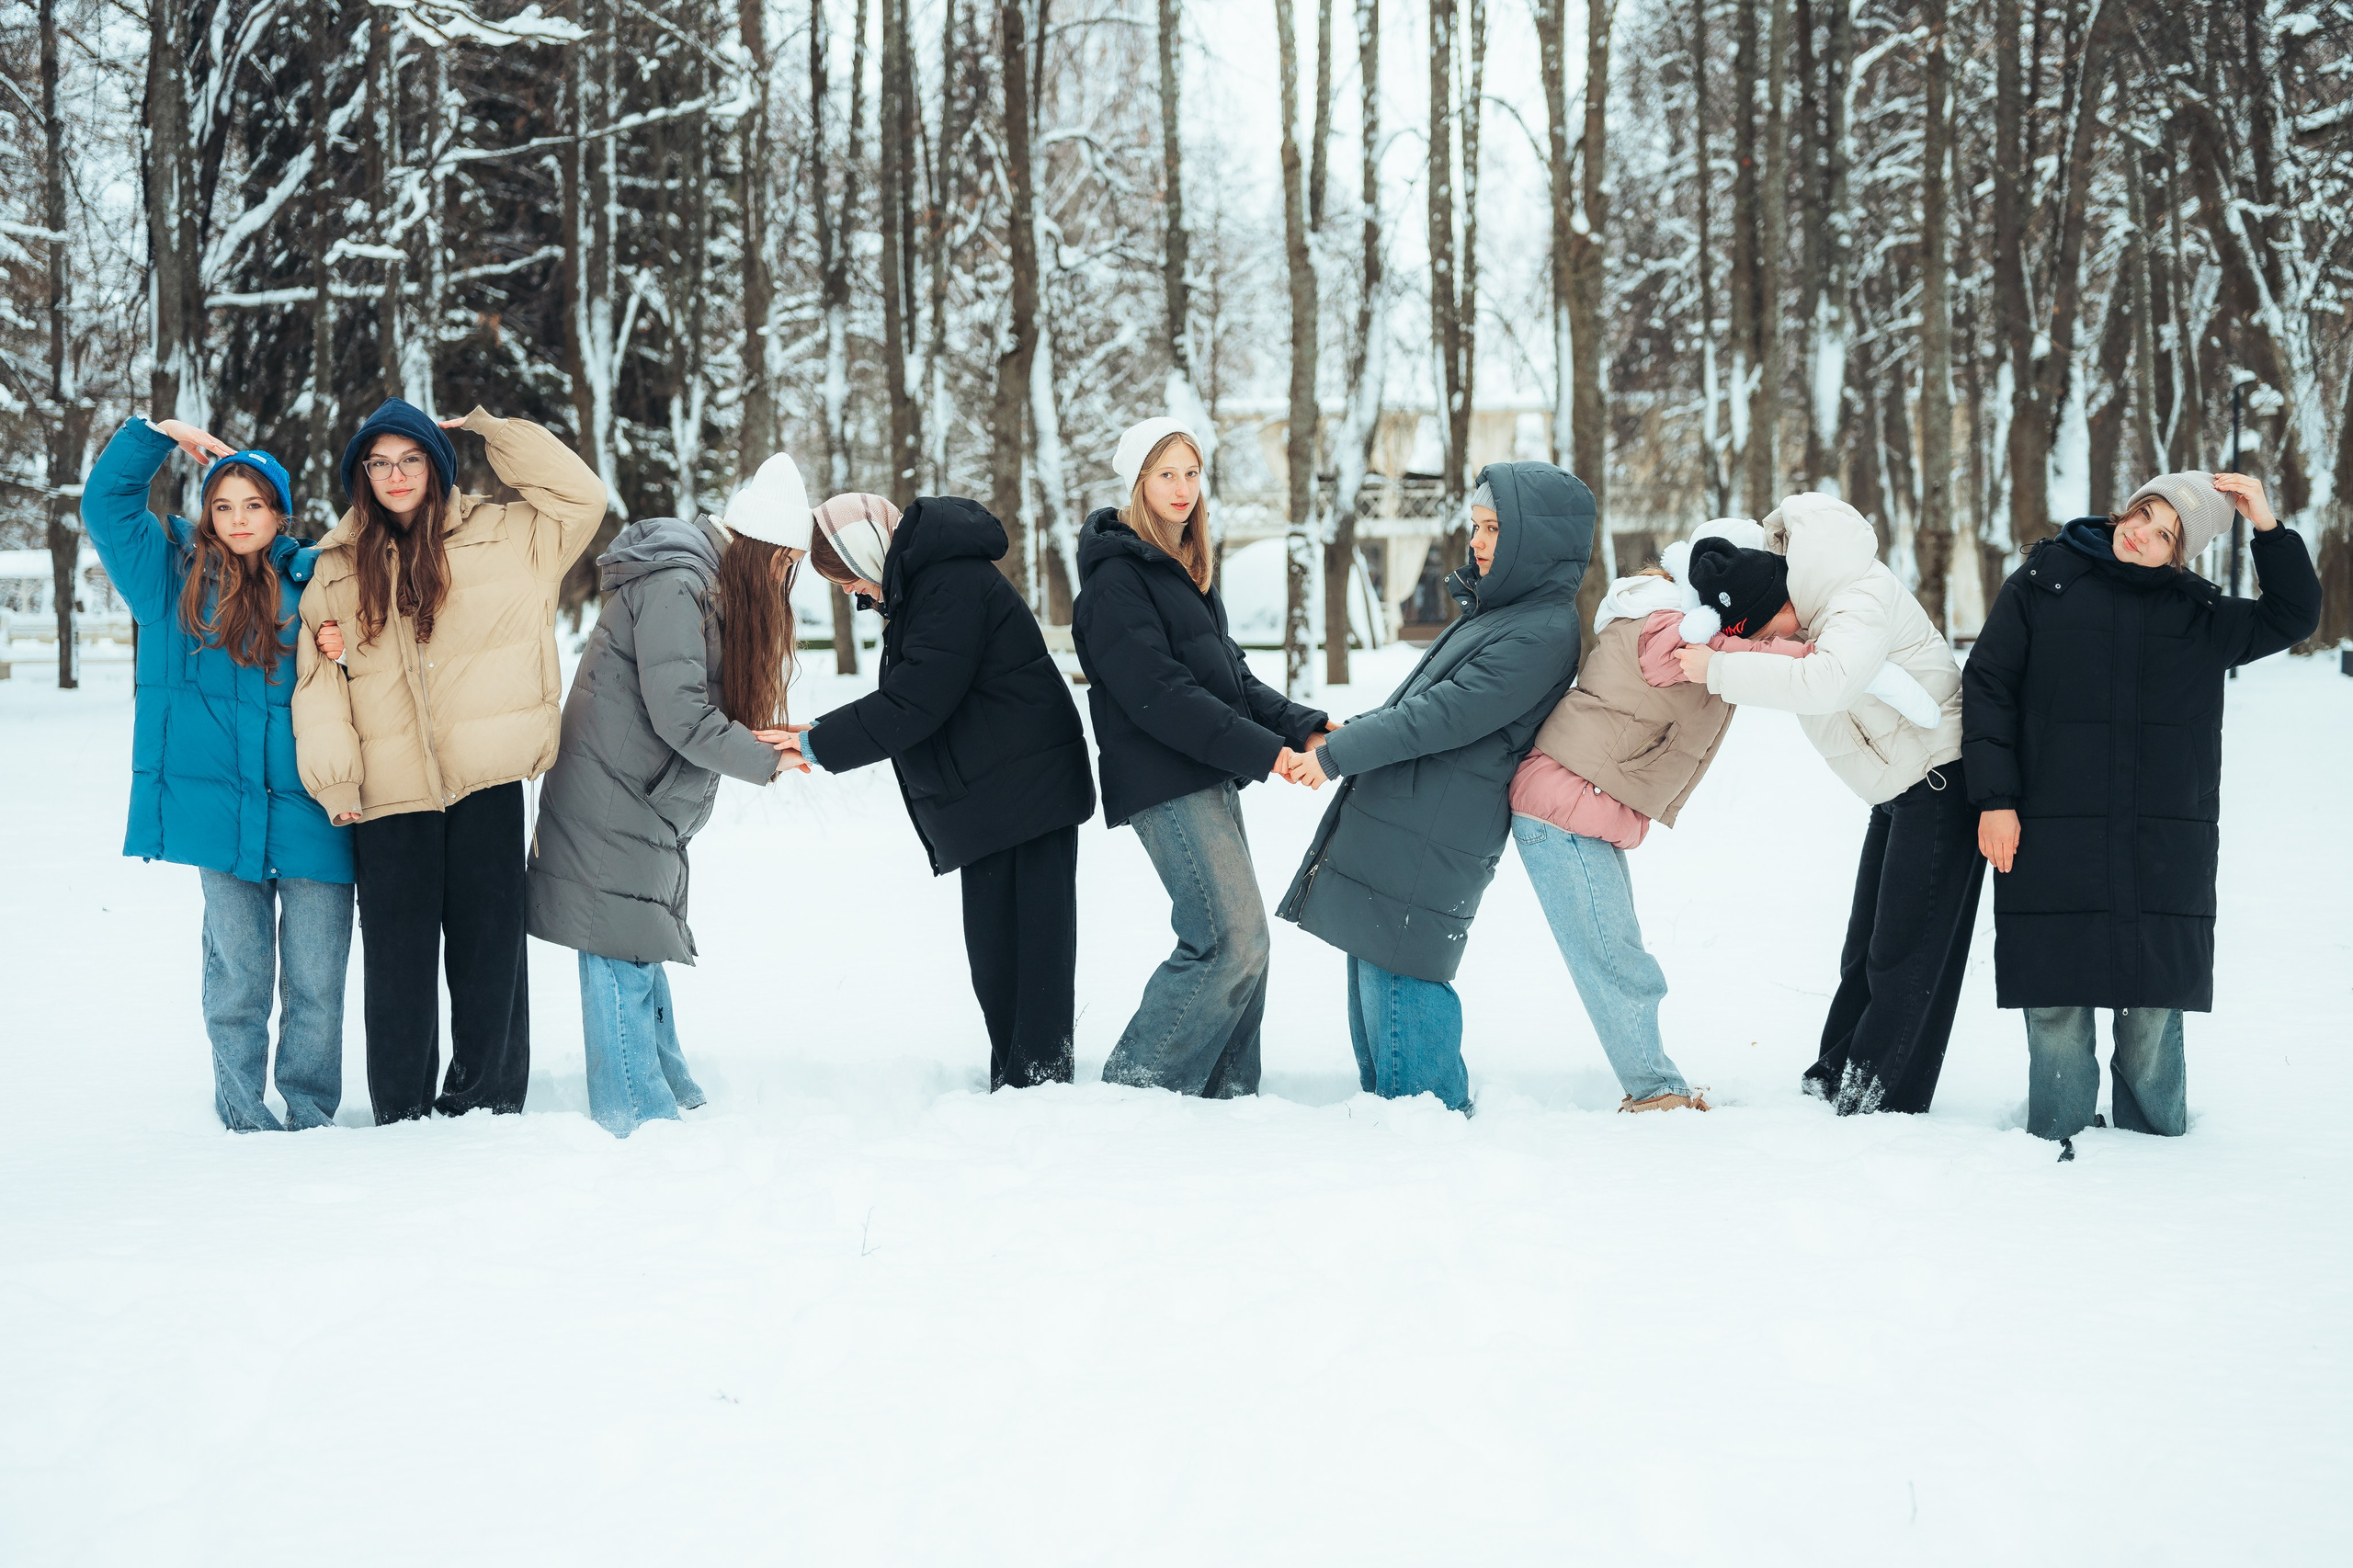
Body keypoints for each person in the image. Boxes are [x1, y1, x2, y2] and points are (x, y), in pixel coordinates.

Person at [1962, 472, 2318, 1159]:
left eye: (2165, 536)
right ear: (2128, 507)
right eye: (2145, 515)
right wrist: (1996, 799)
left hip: (2161, 835)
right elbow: (1989, 684)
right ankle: (2055, 1136)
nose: (2143, 535)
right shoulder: (2046, 580)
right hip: (2051, 825)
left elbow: (2293, 615)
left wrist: (2266, 524)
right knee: (2057, 989)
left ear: (2180, 554)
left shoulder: (2201, 615)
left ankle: (2158, 1148)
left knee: (2156, 998)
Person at [295, 398, 603, 1122]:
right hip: (387, 792)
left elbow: (583, 497)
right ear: (360, 475)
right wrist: (337, 778)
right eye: (379, 463)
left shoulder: (509, 536)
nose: (395, 475)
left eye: (410, 459)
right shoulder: (335, 568)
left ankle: (487, 1102)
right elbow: (318, 686)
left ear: (436, 465)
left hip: (485, 780)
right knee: (397, 965)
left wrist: (498, 431)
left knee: (489, 953)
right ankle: (401, 1113)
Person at [1279, 462, 1591, 1113]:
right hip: (1409, 818)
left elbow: (1445, 715)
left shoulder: (1543, 629)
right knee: (1374, 959)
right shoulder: (1499, 614)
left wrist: (1341, 753)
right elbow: (1424, 705)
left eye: (1494, 529)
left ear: (1537, 541)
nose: (1476, 542)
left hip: (1435, 831)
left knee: (1403, 970)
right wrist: (1350, 732)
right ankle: (1400, 1133)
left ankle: (1432, 1137)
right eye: (1476, 527)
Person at [521, 456, 813, 1134]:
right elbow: (679, 712)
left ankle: (667, 1089)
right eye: (783, 561)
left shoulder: (704, 585)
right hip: (613, 790)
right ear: (757, 547)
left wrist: (765, 741)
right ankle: (635, 1113)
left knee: (638, 937)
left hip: (636, 791)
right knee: (619, 943)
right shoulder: (681, 584)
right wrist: (763, 761)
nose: (784, 578)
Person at [80, 416, 354, 1131]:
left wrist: (346, 644)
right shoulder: (168, 579)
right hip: (218, 817)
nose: (238, 519)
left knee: (317, 980)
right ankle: (241, 1111)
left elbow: (375, 661)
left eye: (254, 505)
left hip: (312, 811)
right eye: (223, 505)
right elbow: (105, 504)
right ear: (207, 512)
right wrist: (157, 435)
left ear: (279, 512)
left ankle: (311, 1113)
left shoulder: (320, 580)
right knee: (238, 977)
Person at [1671, 493, 1976, 1117]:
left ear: (1779, 603)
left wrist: (1720, 670)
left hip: (1938, 780)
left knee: (1904, 956)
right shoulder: (1807, 601)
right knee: (1864, 952)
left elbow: (1829, 681)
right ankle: (1832, 1080)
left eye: (1764, 632)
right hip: (1898, 789)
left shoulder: (1853, 595)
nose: (1769, 643)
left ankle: (1876, 1098)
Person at [792, 491, 1097, 1091]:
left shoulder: (950, 586)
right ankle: (1019, 1084)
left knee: (1032, 957)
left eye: (850, 579)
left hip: (1025, 791)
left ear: (871, 552)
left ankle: (1039, 1088)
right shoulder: (926, 590)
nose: (856, 596)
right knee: (997, 959)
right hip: (992, 798)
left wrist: (814, 744)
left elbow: (915, 702)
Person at [1070, 419, 1331, 1099]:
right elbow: (1163, 697)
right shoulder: (1116, 582)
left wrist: (1301, 726)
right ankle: (1136, 1094)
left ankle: (1227, 1100)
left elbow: (1231, 678)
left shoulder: (1183, 574)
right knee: (1227, 940)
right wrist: (1266, 753)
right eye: (1166, 474)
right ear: (1137, 484)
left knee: (1248, 945)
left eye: (1191, 473)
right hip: (1163, 778)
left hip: (1202, 772)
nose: (1182, 488)